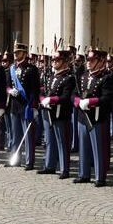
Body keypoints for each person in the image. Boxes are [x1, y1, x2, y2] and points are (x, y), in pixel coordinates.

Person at [72, 47, 113, 186]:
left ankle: (100, 176)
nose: (88, 62)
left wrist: (91, 102)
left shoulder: (106, 78)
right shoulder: (84, 76)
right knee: (83, 147)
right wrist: (78, 101)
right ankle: (83, 174)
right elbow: (74, 93)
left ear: (100, 61)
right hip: (83, 116)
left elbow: (108, 97)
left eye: (92, 60)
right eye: (88, 60)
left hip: (98, 118)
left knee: (99, 148)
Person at [39, 49, 76, 179]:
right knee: (49, 140)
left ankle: (64, 169)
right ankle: (49, 165)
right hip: (47, 112)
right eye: (53, 60)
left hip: (60, 113)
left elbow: (66, 97)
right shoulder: (51, 76)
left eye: (57, 60)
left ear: (65, 62)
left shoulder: (69, 78)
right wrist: (43, 99)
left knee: (62, 141)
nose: (54, 62)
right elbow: (42, 91)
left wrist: (52, 100)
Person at [6, 41, 40, 170]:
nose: (16, 55)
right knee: (15, 134)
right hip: (15, 105)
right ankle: (15, 159)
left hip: (27, 105)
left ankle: (29, 161)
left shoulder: (32, 69)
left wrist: (34, 106)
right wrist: (10, 91)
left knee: (28, 136)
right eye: (15, 53)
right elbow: (8, 85)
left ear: (24, 53)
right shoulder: (11, 68)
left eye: (18, 52)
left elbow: (35, 90)